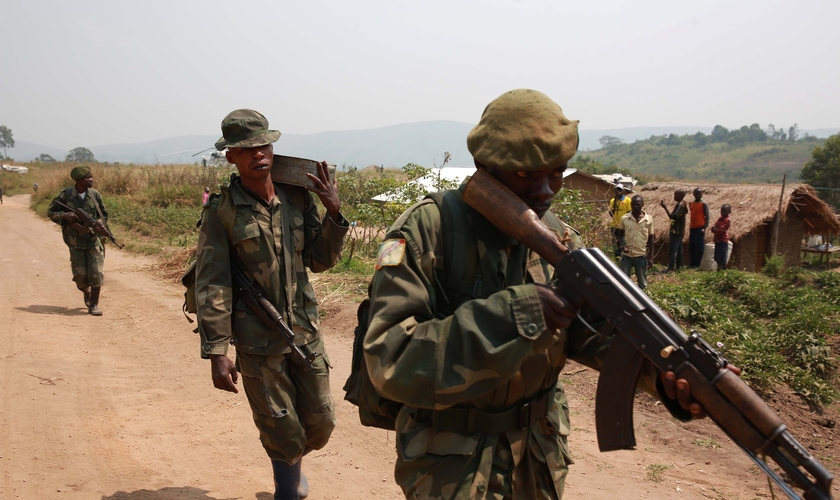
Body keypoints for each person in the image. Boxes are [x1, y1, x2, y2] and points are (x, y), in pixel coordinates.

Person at [363, 89, 718, 499]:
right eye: (524, 174)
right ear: (484, 166)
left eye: (556, 173)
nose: (545, 190)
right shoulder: (428, 229)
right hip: (451, 462)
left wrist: (668, 377)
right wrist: (517, 315)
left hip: (538, 453)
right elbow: (390, 358)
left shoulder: (559, 237)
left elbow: (596, 333)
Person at [194, 109, 348, 500]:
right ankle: (287, 487)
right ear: (231, 156)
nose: (258, 154)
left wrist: (333, 212)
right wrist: (217, 351)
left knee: (322, 422)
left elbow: (319, 260)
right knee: (281, 427)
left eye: (263, 145)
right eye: (246, 149)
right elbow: (212, 282)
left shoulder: (296, 197)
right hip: (257, 340)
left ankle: (291, 464)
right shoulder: (221, 210)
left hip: (305, 330)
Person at [47, 166, 109, 315]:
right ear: (78, 180)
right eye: (87, 178)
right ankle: (86, 291)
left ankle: (93, 305)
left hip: (94, 239)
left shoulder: (94, 195)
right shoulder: (66, 195)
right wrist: (64, 216)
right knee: (80, 277)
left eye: (91, 177)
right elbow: (51, 212)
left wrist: (100, 224)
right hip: (75, 241)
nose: (91, 180)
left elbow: (103, 214)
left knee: (96, 273)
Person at [617, 195, 654, 289]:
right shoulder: (624, 218)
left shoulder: (648, 219)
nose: (636, 206)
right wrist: (623, 246)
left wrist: (651, 258)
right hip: (627, 256)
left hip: (641, 256)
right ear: (631, 205)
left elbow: (651, 239)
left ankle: (642, 298)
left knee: (643, 284)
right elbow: (620, 236)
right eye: (633, 204)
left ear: (642, 204)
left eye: (638, 204)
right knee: (624, 283)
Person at [659, 189, 688, 272]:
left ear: (680, 196)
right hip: (680, 231)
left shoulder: (679, 205)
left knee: (673, 250)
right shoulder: (684, 203)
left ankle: (670, 268)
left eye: (675, 195)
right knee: (679, 249)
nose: (674, 196)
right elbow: (686, 212)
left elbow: (672, 216)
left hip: (676, 231)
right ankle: (680, 267)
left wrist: (665, 208)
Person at [608, 184, 631, 257]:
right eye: (617, 189)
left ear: (623, 190)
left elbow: (629, 213)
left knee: (623, 243)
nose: (618, 191)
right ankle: (616, 257)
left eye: (620, 189)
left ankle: (623, 257)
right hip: (614, 225)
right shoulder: (612, 201)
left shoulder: (627, 200)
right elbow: (612, 213)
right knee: (615, 244)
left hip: (623, 226)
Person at [688, 188, 709, 267]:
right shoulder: (691, 203)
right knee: (692, 246)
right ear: (693, 194)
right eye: (696, 193)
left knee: (699, 247)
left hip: (700, 228)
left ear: (702, 194)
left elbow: (707, 216)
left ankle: (699, 264)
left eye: (699, 194)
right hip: (692, 228)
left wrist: (704, 227)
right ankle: (692, 263)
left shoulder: (703, 204)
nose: (698, 195)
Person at [711, 204, 732, 271]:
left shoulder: (727, 220)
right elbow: (713, 227)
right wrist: (715, 228)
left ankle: (720, 272)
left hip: (722, 240)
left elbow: (720, 230)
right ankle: (722, 271)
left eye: (725, 211)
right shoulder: (720, 219)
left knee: (722, 258)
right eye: (722, 211)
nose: (723, 212)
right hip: (717, 240)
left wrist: (715, 228)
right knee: (718, 257)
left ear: (729, 211)